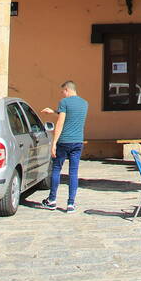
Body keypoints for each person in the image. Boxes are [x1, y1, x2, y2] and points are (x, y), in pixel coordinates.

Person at [41, 80, 88, 212]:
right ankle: (71, 203)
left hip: (64, 141)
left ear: (67, 90)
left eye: (63, 92)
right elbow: (71, 114)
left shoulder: (64, 102)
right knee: (73, 172)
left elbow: (61, 123)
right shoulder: (84, 104)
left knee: (56, 169)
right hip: (78, 142)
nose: (62, 95)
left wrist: (54, 143)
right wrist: (54, 111)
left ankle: (52, 199)